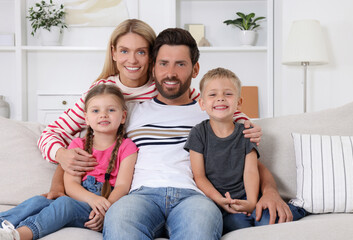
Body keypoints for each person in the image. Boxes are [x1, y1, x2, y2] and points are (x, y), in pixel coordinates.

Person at [102, 28, 292, 240]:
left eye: (181, 64)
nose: (171, 73)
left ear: (195, 69)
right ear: (153, 68)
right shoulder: (131, 112)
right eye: (163, 63)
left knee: (199, 229)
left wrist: (271, 191)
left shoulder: (211, 112)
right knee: (118, 223)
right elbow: (90, 145)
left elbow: (248, 158)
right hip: (140, 196)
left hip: (194, 197)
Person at [0, 84, 138, 240]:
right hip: (81, 198)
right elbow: (71, 185)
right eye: (96, 110)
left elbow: (122, 186)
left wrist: (105, 209)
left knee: (65, 204)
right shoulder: (78, 145)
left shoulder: (127, 147)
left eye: (111, 110)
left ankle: (18, 235)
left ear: (123, 116)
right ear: (86, 118)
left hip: (100, 206)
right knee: (39, 200)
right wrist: (91, 198)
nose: (103, 115)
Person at [184, 67, 308, 235]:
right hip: (222, 204)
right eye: (213, 95)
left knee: (268, 220)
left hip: (250, 198)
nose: (220, 98)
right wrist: (219, 200)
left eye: (228, 94)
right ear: (202, 103)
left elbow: (251, 170)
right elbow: (199, 175)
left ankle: (299, 209)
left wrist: (250, 202)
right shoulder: (198, 133)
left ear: (239, 103)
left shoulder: (246, 132)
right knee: (237, 224)